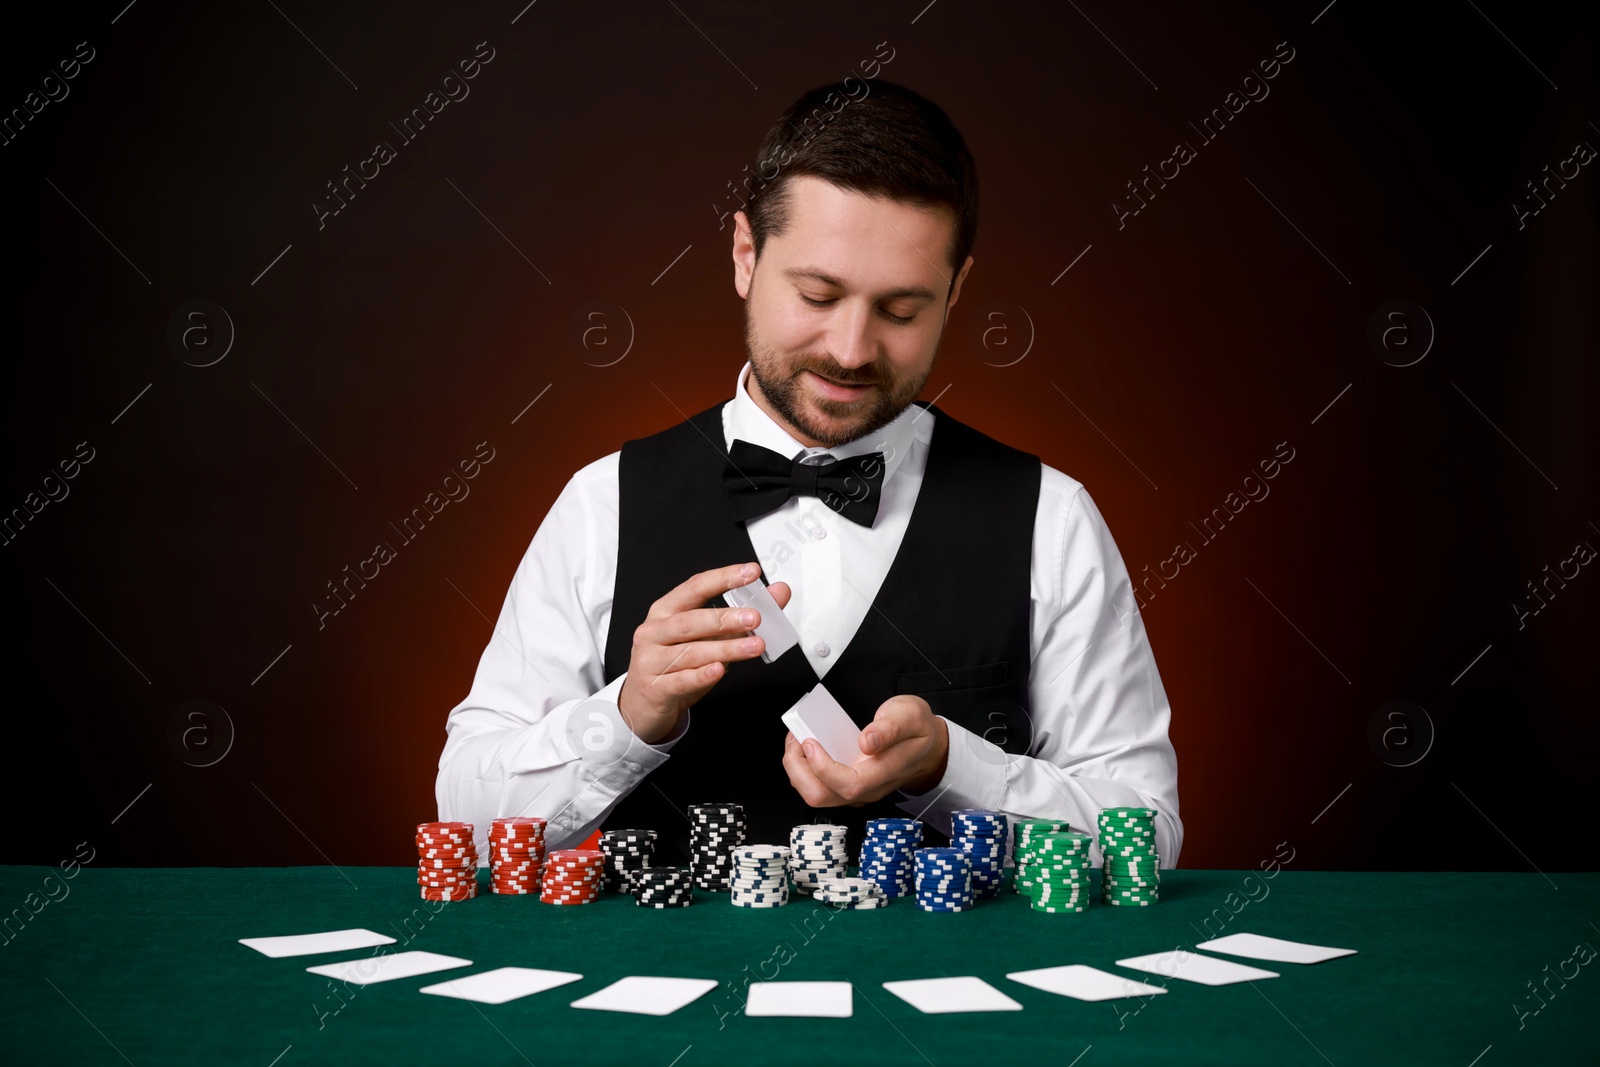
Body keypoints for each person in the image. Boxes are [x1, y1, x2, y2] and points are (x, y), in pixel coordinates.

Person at [436, 79, 1181, 868]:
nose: (853, 349)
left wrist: (952, 768)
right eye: (818, 294)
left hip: (951, 990)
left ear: (957, 291)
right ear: (745, 256)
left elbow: (1148, 836)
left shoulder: (1050, 517)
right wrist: (628, 712)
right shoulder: (601, 503)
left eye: (901, 310)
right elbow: (468, 819)